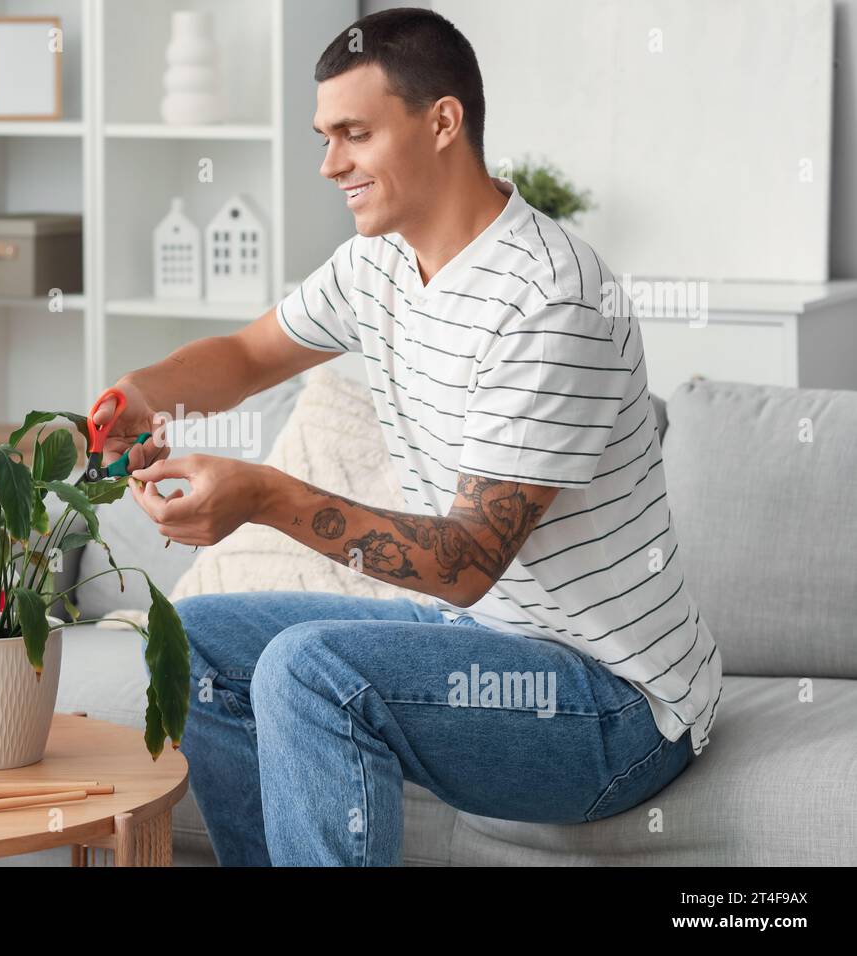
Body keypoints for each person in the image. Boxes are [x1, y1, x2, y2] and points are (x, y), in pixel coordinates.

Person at [89, 7, 721, 866]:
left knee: (309, 669)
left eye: (354, 133)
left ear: (442, 121)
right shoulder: (379, 260)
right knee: (191, 639)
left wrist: (265, 496)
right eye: (323, 136)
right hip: (473, 645)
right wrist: (143, 394)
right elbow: (244, 356)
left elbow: (465, 563)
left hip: (613, 707)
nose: (329, 164)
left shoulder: (549, 301)